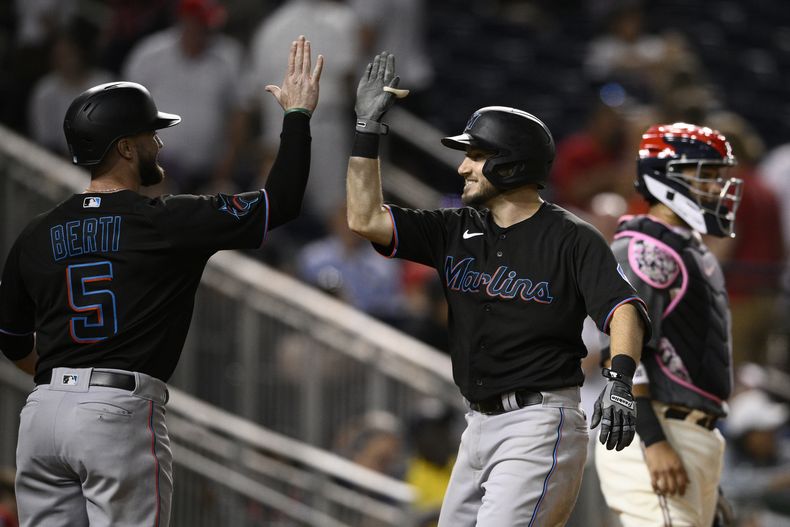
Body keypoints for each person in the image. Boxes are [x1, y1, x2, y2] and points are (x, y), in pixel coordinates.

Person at [0, 36, 322, 527]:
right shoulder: (165, 220)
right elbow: (280, 202)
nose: (160, 143)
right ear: (125, 147)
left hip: (42, 414)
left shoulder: (36, 233)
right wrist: (297, 116)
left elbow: (10, 337)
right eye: (151, 135)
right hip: (115, 411)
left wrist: (67, 381)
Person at [346, 52, 649, 526]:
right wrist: (367, 128)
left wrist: (620, 379)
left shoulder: (571, 237)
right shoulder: (454, 229)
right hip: (476, 425)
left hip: (539, 423)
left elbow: (624, 309)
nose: (464, 167)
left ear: (509, 164)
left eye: (476, 155)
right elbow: (364, 218)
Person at [595, 122, 743, 526]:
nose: (718, 187)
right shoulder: (642, 247)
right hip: (657, 428)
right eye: (707, 175)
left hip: (693, 433)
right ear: (665, 175)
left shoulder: (687, 246)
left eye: (719, 176)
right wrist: (653, 439)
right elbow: (622, 349)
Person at [122, 0, 247, 194]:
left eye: (207, 26)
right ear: (184, 20)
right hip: (159, 168)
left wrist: (227, 165)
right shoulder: (150, 54)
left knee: (230, 202)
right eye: (198, 23)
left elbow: (239, 113)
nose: (203, 31)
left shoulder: (229, 55)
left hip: (209, 171)